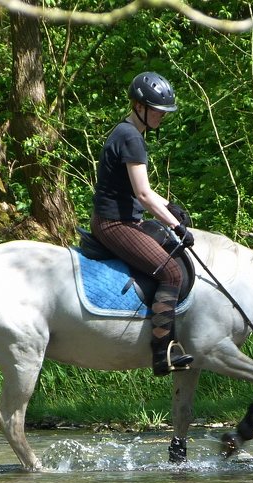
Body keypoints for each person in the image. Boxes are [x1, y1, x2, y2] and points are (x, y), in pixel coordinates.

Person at [90, 71, 195, 376]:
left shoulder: (127, 132)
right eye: (158, 111)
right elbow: (144, 195)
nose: (162, 117)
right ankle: (162, 354)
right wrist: (177, 226)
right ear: (140, 106)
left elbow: (146, 194)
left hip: (122, 219)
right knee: (172, 274)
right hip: (115, 224)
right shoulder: (131, 137)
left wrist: (170, 208)